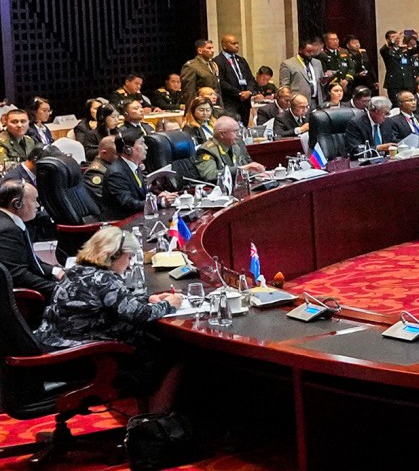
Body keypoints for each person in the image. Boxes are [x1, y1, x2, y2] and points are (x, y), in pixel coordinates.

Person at [37, 227, 186, 414]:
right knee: (173, 351)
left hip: (56, 350)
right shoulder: (104, 279)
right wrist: (170, 304)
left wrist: (147, 299)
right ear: (112, 255)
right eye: (129, 258)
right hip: (83, 358)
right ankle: (155, 420)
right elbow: (141, 315)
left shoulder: (77, 271)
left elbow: (111, 303)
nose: (130, 265)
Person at [0, 179, 55, 303]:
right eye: (34, 200)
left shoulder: (10, 222)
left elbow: (29, 260)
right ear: (17, 204)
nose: (37, 205)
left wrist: (55, 271)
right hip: (21, 300)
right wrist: (56, 288)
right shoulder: (7, 230)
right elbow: (18, 275)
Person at [192, 116, 252, 184]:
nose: (240, 134)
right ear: (222, 134)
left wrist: (259, 172)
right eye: (236, 131)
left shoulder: (235, 146)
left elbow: (246, 167)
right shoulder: (207, 150)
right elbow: (210, 175)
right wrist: (240, 169)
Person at [214, 33, 255, 118]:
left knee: (244, 126)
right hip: (230, 101)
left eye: (237, 43)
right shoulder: (218, 61)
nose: (237, 46)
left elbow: (250, 78)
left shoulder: (241, 60)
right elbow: (221, 82)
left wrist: (249, 92)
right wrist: (238, 93)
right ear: (224, 46)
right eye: (233, 44)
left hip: (245, 101)